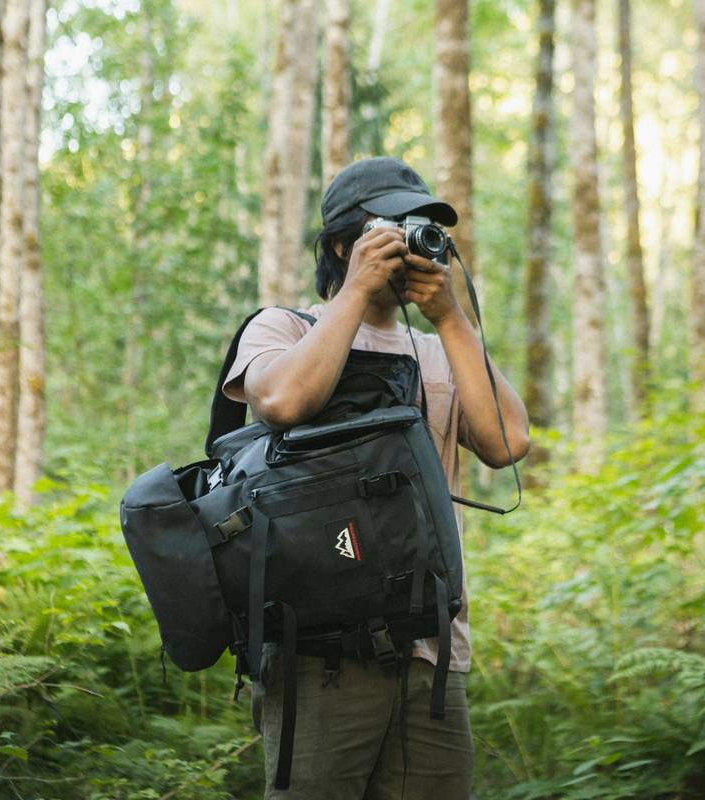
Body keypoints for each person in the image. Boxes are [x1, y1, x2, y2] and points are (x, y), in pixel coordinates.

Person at [221, 156, 530, 799]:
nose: (414, 239)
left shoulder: (443, 350)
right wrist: (357, 293)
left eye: (424, 227)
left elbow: (508, 443)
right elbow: (280, 401)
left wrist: (452, 318)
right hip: (320, 655)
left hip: (432, 649)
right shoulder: (283, 328)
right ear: (343, 243)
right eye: (394, 225)